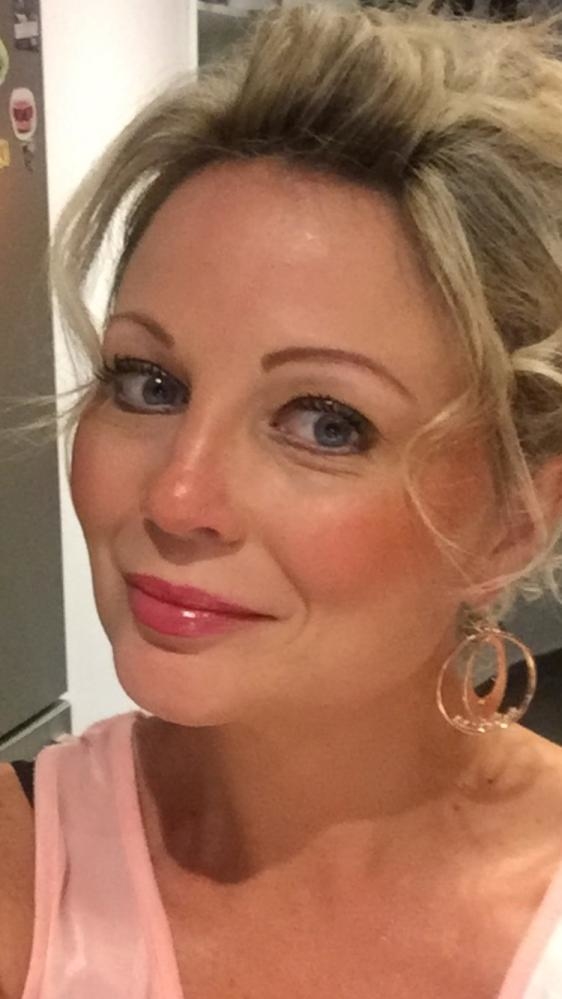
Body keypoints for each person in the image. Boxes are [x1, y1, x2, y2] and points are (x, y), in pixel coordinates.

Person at [2, 0, 562, 995]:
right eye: (149, 384)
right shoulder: (25, 875)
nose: (178, 496)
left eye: (324, 423)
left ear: (511, 523)